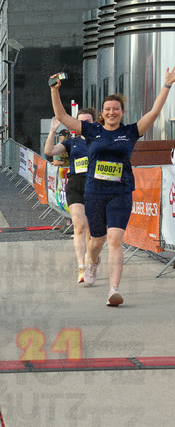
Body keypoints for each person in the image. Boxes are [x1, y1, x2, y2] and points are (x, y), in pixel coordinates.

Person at [50, 67, 175, 306]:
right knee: (97, 241)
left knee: (116, 239)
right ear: (102, 113)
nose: (111, 112)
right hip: (94, 192)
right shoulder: (92, 131)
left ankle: (113, 290)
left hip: (121, 192)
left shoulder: (130, 132)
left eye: (116, 109)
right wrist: (54, 90)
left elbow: (154, 112)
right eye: (107, 109)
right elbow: (63, 116)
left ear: (122, 112)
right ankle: (92, 262)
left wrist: (167, 84)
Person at [44, 108, 97, 283]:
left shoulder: (101, 139)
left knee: (92, 232)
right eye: (81, 121)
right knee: (79, 226)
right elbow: (49, 151)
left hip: (95, 187)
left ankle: (92, 261)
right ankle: (81, 267)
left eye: (88, 121)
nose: (84, 125)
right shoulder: (72, 142)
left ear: (94, 122)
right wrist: (53, 130)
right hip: (75, 185)